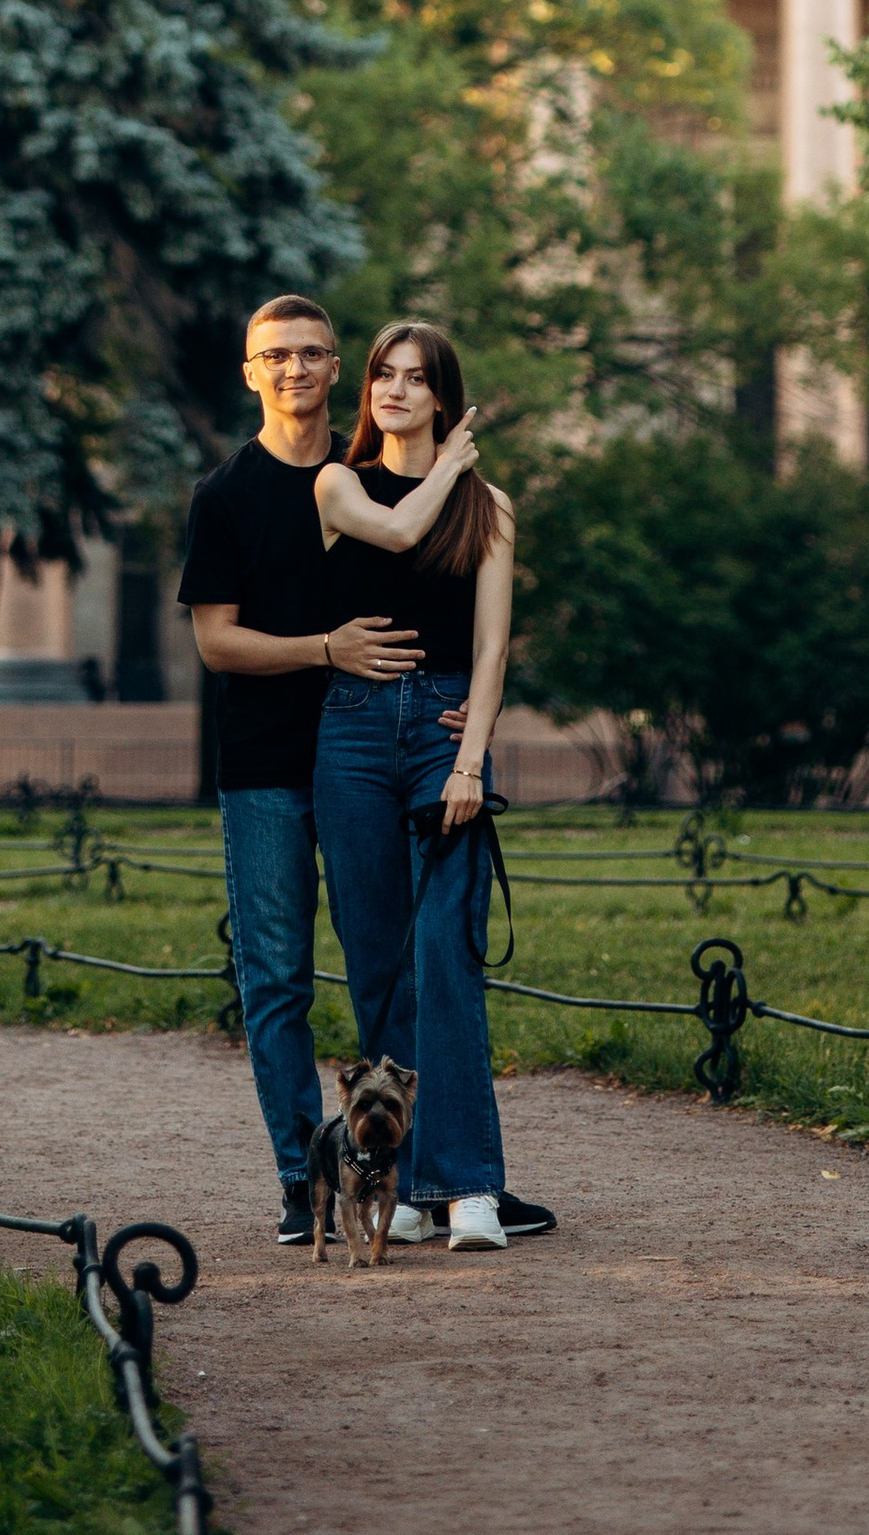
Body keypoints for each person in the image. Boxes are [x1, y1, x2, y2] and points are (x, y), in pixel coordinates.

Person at [179, 294, 552, 1253]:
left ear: (333, 367)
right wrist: (326, 649)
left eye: (312, 353)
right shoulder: (258, 493)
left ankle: (446, 1182)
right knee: (287, 978)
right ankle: (308, 1182)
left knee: (436, 958)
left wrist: (469, 739)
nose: (294, 369)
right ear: (252, 371)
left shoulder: (401, 485)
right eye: (275, 356)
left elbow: (482, 634)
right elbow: (217, 642)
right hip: (287, 753)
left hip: (410, 734)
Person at [312, 318, 546, 1254]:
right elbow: (401, 528)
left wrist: (469, 759)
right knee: (377, 959)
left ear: (443, 395)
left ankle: (468, 1187)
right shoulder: (338, 485)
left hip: (445, 730)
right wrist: (448, 464)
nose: (395, 390)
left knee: (447, 955)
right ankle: (399, 1189)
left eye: (415, 378)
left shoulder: (489, 507)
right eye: (383, 374)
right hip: (353, 729)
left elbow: (492, 649)